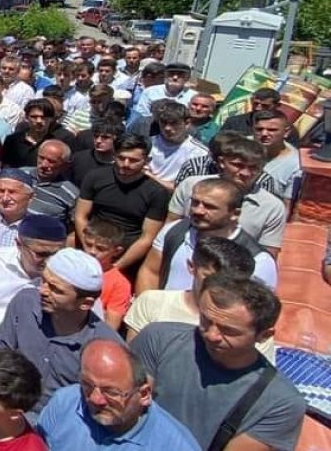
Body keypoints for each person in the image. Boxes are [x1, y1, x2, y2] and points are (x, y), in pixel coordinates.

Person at [131, 275, 306, 451]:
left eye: (228, 331)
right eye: (206, 321)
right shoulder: (160, 340)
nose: (211, 335)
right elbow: (125, 410)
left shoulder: (279, 402)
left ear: (264, 336)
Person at [0, 248, 124, 412]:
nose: (43, 291)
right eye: (43, 281)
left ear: (86, 304)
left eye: (55, 289)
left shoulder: (106, 348)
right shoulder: (25, 304)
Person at [124, 235, 279, 360]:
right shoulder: (152, 303)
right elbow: (133, 361)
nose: (221, 286)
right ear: (192, 267)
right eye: (210, 277)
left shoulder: (251, 326)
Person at [34, 339, 199, 450]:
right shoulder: (65, 402)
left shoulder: (175, 445)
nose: (95, 399)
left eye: (111, 392)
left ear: (144, 394)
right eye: (87, 385)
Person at [137, 177, 276, 292]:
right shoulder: (174, 231)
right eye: (195, 202)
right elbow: (150, 272)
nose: (198, 210)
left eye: (209, 206)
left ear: (235, 214)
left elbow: (257, 307)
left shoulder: (258, 260)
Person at [166, 133, 287, 256]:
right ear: (221, 162)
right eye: (238, 165)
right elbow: (170, 229)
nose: (245, 173)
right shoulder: (190, 186)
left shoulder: (272, 208)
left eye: (253, 168)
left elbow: (268, 254)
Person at [73, 134, 169, 274]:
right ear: (114, 155)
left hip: (127, 253)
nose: (126, 164)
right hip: (91, 242)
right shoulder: (95, 177)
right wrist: (89, 248)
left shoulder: (156, 193)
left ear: (146, 160)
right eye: (121, 158)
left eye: (133, 160)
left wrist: (115, 268)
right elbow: (81, 216)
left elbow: (147, 237)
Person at [0, 215, 68, 328]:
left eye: (57, 254)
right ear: (19, 245)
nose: (49, 261)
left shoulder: (68, 275)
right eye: (41, 254)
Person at [78, 217, 131, 331]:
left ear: (116, 251)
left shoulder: (120, 283)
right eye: (88, 244)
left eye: (100, 249)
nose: (92, 251)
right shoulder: (71, 265)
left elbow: (111, 326)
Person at [253, 109, 303, 216]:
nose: (264, 134)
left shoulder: (296, 165)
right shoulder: (241, 149)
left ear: (286, 132)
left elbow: (287, 206)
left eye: (272, 130)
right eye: (259, 129)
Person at [1, 99, 75, 169]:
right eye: (34, 117)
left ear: (51, 119)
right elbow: (5, 166)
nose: (39, 121)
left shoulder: (57, 144)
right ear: (26, 117)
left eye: (43, 117)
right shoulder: (12, 140)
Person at [21, 140, 79, 228]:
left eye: (51, 161)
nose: (44, 165)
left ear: (65, 165)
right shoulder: (20, 174)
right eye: (41, 158)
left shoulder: (71, 194)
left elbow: (76, 227)